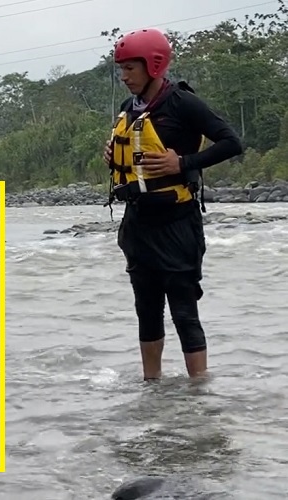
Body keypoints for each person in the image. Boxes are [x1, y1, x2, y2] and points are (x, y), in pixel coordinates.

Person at [103, 28, 243, 381]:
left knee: (184, 311)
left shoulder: (182, 103)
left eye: (130, 68)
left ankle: (199, 394)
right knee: (146, 310)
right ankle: (153, 388)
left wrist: (182, 163)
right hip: (137, 224)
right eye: (121, 69)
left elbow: (231, 142)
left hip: (177, 224)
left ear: (154, 65)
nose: (124, 77)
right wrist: (112, 155)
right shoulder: (128, 109)